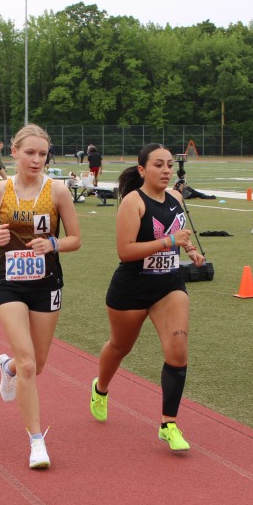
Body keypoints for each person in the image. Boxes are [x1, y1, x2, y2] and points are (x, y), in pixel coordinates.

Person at [0, 124, 82, 469]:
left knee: (37, 363)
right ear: (14, 152)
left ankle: (8, 366)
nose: (36, 159)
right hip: (10, 283)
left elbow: (76, 239)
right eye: (30, 152)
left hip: (47, 284)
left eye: (42, 154)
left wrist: (53, 244)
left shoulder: (57, 190)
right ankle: (36, 442)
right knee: (29, 364)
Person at [89, 144, 205, 453]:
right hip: (132, 288)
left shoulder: (176, 197)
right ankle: (101, 388)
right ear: (142, 170)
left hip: (169, 286)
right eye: (158, 165)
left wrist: (191, 249)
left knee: (178, 350)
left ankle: (169, 424)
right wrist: (168, 241)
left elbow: (179, 234)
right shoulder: (133, 201)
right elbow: (125, 251)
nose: (166, 170)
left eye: (169, 164)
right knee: (120, 347)